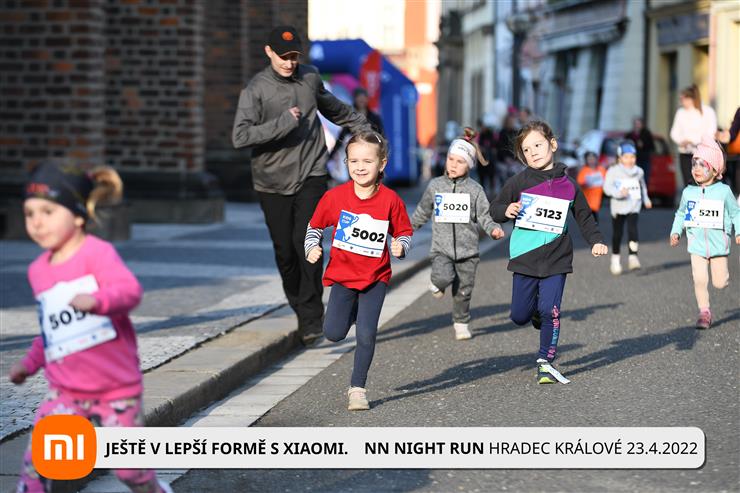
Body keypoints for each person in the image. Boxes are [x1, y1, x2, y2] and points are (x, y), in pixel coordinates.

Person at [9, 163, 172, 493]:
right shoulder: (38, 270)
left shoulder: (97, 253)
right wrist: (28, 364)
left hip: (116, 387)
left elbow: (130, 292)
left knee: (131, 472)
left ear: (78, 216)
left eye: (47, 212)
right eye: (29, 214)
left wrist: (98, 301)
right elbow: (52, 329)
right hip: (66, 390)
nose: (36, 222)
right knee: (38, 465)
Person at [232, 26, 371, 344]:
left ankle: (310, 318)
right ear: (269, 52)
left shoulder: (310, 77)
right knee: (285, 251)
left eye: (294, 56)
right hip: (271, 181)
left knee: (306, 242)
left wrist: (364, 129)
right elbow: (240, 136)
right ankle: (301, 306)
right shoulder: (256, 89)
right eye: (283, 56)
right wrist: (283, 122)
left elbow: (334, 109)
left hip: (312, 173)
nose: (289, 62)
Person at [490, 121, 608, 384]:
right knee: (519, 315)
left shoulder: (569, 185)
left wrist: (596, 241)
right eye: (526, 150)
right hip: (524, 256)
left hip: (557, 258)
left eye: (538, 145)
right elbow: (495, 208)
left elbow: (585, 217)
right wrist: (506, 210)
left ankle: (545, 361)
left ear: (552, 144)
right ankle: (534, 313)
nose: (533, 152)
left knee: (550, 310)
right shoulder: (518, 182)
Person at [304, 131, 412, 411]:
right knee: (333, 332)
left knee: (366, 334)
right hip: (343, 277)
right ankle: (350, 312)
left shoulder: (390, 200)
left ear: (382, 164)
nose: (360, 167)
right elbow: (314, 226)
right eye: (354, 161)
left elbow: (404, 231)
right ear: (346, 163)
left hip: (375, 278)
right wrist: (311, 247)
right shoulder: (335, 197)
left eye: (367, 161)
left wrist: (400, 246)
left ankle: (357, 389)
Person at [411, 127, 505, 341]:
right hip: (441, 248)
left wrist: (493, 229)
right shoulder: (435, 186)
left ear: (469, 165)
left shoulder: (475, 190)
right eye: (451, 159)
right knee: (443, 276)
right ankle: (438, 282)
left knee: (464, 290)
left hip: (468, 251)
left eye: (460, 161)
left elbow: (484, 215)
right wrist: (408, 229)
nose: (453, 164)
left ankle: (461, 323)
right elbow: (423, 210)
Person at [670, 136, 740, 329]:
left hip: (719, 246)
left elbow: (736, 213)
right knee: (699, 279)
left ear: (715, 170)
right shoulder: (688, 193)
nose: (696, 169)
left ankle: (722, 279)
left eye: (703, 165)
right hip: (697, 245)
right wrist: (676, 232)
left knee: (719, 282)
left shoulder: (724, 192)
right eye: (694, 164)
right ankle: (704, 312)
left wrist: (738, 232)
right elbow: (681, 213)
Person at [603, 141, 652, 275]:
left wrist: (646, 199)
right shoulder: (613, 171)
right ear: (620, 158)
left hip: (634, 204)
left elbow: (643, 186)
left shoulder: (639, 171)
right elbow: (606, 188)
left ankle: (633, 256)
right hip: (618, 207)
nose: (630, 160)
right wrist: (618, 193)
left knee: (633, 230)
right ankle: (615, 259)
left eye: (632, 157)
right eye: (626, 157)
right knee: (618, 234)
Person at [670, 84, 718, 188]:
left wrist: (693, 141)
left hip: (702, 154)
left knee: (702, 182)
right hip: (685, 152)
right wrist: (681, 141)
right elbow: (674, 132)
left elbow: (711, 132)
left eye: (683, 99)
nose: (681, 102)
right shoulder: (680, 112)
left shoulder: (707, 111)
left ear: (691, 99)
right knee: (688, 182)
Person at [329, 87, 384, 160]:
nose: (361, 100)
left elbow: (381, 135)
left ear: (367, 99)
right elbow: (342, 136)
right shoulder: (350, 117)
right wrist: (331, 156)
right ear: (355, 99)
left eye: (363, 97)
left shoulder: (374, 117)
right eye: (359, 97)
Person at [576, 151, 607, 224]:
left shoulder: (601, 169)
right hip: (588, 199)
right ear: (586, 160)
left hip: (599, 197)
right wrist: (585, 184)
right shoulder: (584, 170)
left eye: (593, 159)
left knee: (595, 219)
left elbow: (607, 180)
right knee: (589, 219)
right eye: (589, 159)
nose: (591, 161)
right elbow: (580, 183)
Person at [624, 117, 655, 187]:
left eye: (638, 124)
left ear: (642, 125)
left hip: (645, 160)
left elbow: (652, 147)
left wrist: (644, 145)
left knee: (644, 178)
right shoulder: (629, 135)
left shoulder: (647, 134)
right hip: (633, 160)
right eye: (635, 124)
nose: (637, 126)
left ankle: (643, 192)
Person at [476, 119, 497, 196]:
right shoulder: (480, 135)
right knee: (482, 178)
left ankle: (492, 193)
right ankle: (483, 193)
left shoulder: (492, 135)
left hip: (490, 160)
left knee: (491, 177)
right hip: (482, 160)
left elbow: (495, 147)